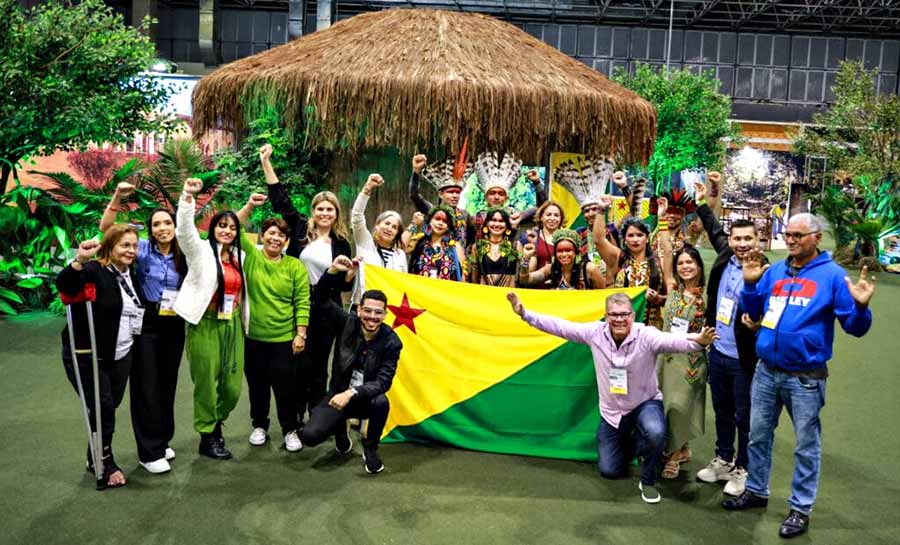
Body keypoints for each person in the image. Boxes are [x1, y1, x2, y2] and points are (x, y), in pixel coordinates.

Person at [723, 213, 875, 539]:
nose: (790, 240)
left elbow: (855, 328)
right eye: (788, 234)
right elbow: (754, 309)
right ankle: (757, 490)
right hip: (766, 371)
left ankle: (800, 508)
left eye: (798, 235)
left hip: (805, 377)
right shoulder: (776, 270)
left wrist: (861, 308)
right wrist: (750, 285)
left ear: (816, 238)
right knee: (758, 436)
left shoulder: (833, 276)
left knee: (806, 445)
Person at [507, 290, 717, 503]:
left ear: (632, 316)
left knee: (655, 432)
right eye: (613, 315)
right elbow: (561, 327)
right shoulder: (594, 333)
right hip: (612, 412)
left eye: (624, 314)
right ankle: (636, 442)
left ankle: (648, 480)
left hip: (645, 402)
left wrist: (698, 340)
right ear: (606, 316)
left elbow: (672, 340)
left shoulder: (646, 335)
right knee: (610, 470)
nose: (619, 319)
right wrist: (525, 314)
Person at [259, 144, 353, 428]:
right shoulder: (300, 229)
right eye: (320, 208)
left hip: (326, 308)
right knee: (296, 362)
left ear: (336, 213)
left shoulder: (342, 243)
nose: (325, 213)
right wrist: (266, 162)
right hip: (296, 305)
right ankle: (293, 416)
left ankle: (316, 416)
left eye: (330, 209)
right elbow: (280, 199)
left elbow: (341, 285)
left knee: (318, 365)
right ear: (313, 211)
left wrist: (346, 273)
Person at [99, 183, 187, 475]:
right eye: (157, 224)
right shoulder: (143, 249)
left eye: (167, 222)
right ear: (151, 229)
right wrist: (117, 198)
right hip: (146, 323)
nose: (163, 228)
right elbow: (107, 231)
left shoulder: (184, 252)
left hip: (175, 322)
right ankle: (148, 452)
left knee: (167, 384)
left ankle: (161, 440)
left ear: (175, 225)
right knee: (146, 384)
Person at [58, 225, 146, 489]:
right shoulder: (95, 270)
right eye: (124, 245)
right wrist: (79, 261)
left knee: (108, 405)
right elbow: (65, 285)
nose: (130, 250)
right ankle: (106, 462)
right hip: (88, 354)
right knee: (103, 407)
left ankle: (93, 454)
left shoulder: (132, 274)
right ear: (110, 246)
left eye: (133, 245)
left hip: (121, 353)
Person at [692, 181, 765, 496]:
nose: (742, 244)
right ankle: (723, 459)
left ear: (758, 240)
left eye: (748, 238)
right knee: (721, 408)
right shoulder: (724, 256)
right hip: (718, 350)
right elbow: (711, 225)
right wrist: (702, 202)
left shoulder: (767, 271)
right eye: (737, 238)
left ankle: (743, 468)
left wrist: (759, 325)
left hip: (746, 358)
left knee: (744, 415)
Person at [175, 177, 247, 460]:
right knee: (206, 382)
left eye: (232, 227)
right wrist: (187, 197)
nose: (227, 231)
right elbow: (184, 231)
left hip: (232, 324)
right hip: (204, 324)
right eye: (222, 225)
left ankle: (216, 420)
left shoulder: (240, 256)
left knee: (232, 386)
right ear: (213, 228)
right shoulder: (200, 252)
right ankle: (209, 434)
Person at [299, 280, 402, 475]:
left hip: (364, 398)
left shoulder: (392, 341)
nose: (372, 317)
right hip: (337, 395)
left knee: (382, 402)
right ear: (359, 310)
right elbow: (320, 300)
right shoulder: (347, 322)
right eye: (368, 311)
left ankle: (370, 448)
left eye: (378, 312)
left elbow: (383, 382)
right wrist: (332, 273)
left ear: (385, 314)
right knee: (309, 436)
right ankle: (340, 432)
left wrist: (352, 393)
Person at [236, 194, 311, 451]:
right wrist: (249, 206)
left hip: (284, 339)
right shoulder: (252, 258)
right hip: (253, 338)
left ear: (286, 240)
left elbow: (302, 301)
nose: (275, 238)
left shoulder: (294, 266)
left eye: (281, 235)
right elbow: (234, 228)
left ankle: (289, 429)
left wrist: (300, 334)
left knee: (285, 388)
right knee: (257, 385)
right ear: (262, 236)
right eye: (270, 233)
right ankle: (259, 425)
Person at [655, 197, 708, 479]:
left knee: (680, 406)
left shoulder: (708, 296)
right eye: (682, 263)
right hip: (667, 358)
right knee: (667, 405)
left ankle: (673, 458)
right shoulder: (672, 289)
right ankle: (682, 448)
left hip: (691, 361)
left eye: (691, 262)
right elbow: (665, 252)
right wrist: (662, 219)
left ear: (699, 266)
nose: (686, 266)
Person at [593, 199, 666, 327]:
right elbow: (599, 240)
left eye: (639, 235)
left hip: (651, 328)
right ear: (625, 240)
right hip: (621, 325)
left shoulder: (659, 262)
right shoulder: (618, 258)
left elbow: (670, 296)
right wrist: (601, 210)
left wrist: (658, 299)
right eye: (630, 235)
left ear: (647, 238)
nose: (635, 239)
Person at [351, 173, 407, 304]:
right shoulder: (365, 243)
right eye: (386, 223)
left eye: (394, 227)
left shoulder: (400, 255)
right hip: (362, 307)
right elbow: (357, 216)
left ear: (397, 233)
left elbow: (403, 285)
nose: (389, 228)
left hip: (389, 310)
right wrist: (367, 189)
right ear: (377, 225)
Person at [471, 151, 547, 240]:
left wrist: (537, 182)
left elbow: (543, 209)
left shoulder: (515, 215)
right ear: (486, 197)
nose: (496, 197)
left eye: (501, 194)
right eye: (492, 193)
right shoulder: (477, 218)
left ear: (506, 198)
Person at [409, 150, 473, 246]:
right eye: (450, 192)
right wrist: (416, 171)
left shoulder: (465, 215)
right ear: (440, 194)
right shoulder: (432, 210)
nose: (455, 195)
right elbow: (414, 195)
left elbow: (471, 239)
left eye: (457, 192)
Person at [519, 229, 605, 290]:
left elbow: (602, 296)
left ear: (576, 252)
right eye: (560, 251)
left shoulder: (589, 269)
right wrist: (526, 258)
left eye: (568, 250)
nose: (564, 254)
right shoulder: (550, 269)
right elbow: (525, 280)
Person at [408, 204, 467, 281]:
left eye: (445, 221)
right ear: (430, 221)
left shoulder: (455, 246)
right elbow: (401, 247)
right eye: (437, 219)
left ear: (448, 227)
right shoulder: (419, 241)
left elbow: (462, 277)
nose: (440, 223)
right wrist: (414, 223)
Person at [516, 201, 565, 271]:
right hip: (534, 280)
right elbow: (520, 265)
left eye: (556, 215)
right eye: (548, 215)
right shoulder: (529, 237)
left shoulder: (567, 238)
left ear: (561, 218)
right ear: (541, 217)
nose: (552, 218)